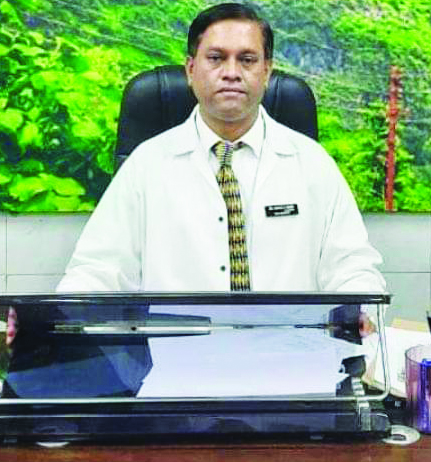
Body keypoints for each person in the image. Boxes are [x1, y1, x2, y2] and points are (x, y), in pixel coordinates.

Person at [56, 2, 385, 294]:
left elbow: (353, 267)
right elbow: (97, 271)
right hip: (176, 345)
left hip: (288, 342)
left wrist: (359, 311)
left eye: (247, 60)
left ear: (267, 72)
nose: (231, 73)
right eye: (216, 58)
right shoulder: (146, 165)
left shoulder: (312, 163)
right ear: (190, 70)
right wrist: (62, 319)